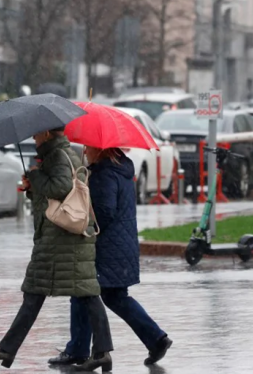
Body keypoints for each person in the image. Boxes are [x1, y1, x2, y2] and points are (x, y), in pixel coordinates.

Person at [0, 128, 114, 372]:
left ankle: (7, 349)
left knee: (79, 294)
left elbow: (60, 188)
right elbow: (54, 198)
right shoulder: (57, 154)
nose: (34, 138)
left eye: (37, 134)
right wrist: (33, 187)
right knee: (47, 293)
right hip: (58, 240)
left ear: (48, 133)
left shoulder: (58, 155)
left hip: (63, 242)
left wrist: (35, 175)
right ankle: (8, 349)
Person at [49, 147, 172, 368]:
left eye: (88, 147)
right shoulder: (120, 169)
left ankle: (78, 350)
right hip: (121, 245)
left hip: (107, 247)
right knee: (113, 297)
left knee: (84, 292)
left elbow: (104, 212)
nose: (85, 150)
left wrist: (84, 224)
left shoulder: (105, 173)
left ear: (99, 150)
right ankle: (155, 339)